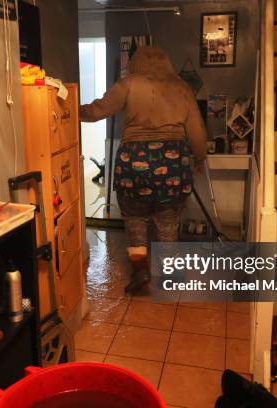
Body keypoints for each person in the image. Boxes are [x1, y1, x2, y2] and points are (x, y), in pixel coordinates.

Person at [80, 45, 207, 294]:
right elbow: (197, 131)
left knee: (135, 219)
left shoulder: (128, 84)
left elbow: (97, 110)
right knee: (168, 220)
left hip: (133, 162)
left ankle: (141, 271)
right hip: (172, 164)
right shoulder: (182, 87)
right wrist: (199, 157)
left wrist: (69, 109)